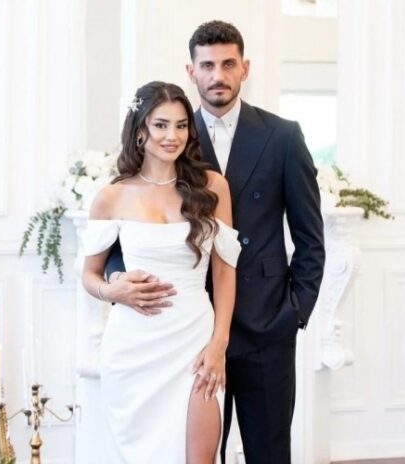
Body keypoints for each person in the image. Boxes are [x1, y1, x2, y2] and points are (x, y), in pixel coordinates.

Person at [105, 21, 325, 463]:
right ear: (191, 72)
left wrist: (294, 312)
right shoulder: (171, 138)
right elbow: (119, 241)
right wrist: (118, 282)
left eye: (228, 64)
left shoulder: (283, 136)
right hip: (188, 332)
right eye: (207, 65)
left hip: (267, 325)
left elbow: (310, 238)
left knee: (270, 453)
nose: (217, 75)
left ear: (245, 68)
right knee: (196, 455)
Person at [81, 81, 242, 463]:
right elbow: (89, 274)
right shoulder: (112, 196)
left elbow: (224, 272)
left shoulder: (213, 187)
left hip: (194, 339)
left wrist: (218, 344)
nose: (173, 136)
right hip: (133, 347)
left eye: (181, 125)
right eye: (161, 125)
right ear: (140, 131)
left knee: (200, 457)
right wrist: (111, 292)